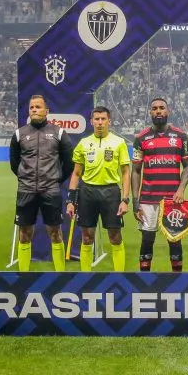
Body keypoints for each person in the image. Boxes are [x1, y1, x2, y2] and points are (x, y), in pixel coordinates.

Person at [9, 95, 75, 272]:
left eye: (38, 107)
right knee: (24, 234)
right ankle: (23, 275)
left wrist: (55, 179)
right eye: (31, 107)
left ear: (47, 110)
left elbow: (69, 163)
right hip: (26, 190)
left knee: (55, 233)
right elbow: (14, 164)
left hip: (50, 191)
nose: (34, 110)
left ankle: (60, 275)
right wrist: (26, 178)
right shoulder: (19, 134)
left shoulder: (59, 133)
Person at [131, 97, 188, 272]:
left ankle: (177, 279)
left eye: (162, 108)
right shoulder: (141, 138)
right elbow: (136, 171)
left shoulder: (180, 136)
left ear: (168, 111)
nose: (158, 111)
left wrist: (181, 189)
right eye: (155, 108)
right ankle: (144, 279)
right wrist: (135, 201)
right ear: (150, 112)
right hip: (148, 199)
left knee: (175, 240)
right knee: (147, 240)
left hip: (173, 200)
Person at [67, 106, 131, 272]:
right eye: (97, 119)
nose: (100, 122)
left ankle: (119, 276)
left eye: (103, 119)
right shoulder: (83, 143)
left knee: (115, 237)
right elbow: (76, 173)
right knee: (87, 237)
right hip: (87, 192)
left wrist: (125, 200)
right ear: (91, 121)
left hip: (111, 193)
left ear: (109, 121)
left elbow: (126, 173)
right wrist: (70, 200)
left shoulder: (119, 142)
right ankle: (85, 277)